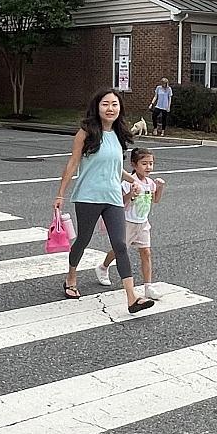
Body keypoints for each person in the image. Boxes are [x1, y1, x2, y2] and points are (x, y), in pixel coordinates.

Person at [53, 89, 155, 314]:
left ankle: (131, 297)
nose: (110, 109)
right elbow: (72, 163)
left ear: (120, 109)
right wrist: (60, 194)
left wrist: (133, 181)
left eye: (115, 104)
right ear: (97, 107)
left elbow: (116, 168)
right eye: (105, 104)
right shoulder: (86, 132)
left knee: (120, 244)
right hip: (88, 196)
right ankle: (71, 277)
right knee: (83, 239)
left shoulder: (118, 135)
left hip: (113, 197)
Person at [95, 147, 166, 299]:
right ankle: (103, 267)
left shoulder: (150, 183)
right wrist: (131, 194)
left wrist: (159, 188)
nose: (148, 167)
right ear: (134, 165)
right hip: (127, 222)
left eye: (151, 164)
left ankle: (148, 286)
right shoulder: (128, 183)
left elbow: (156, 200)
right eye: (144, 164)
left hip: (143, 223)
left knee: (146, 252)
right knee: (119, 250)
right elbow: (120, 203)